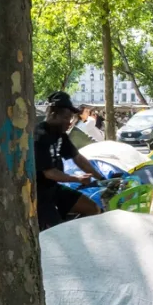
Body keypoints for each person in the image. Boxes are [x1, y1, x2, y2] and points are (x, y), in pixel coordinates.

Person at [35, 91, 100, 231]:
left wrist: (100, 178)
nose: (69, 122)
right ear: (53, 114)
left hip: (54, 189)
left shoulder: (60, 135)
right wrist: (77, 179)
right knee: (56, 231)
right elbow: (49, 173)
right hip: (39, 195)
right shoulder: (40, 136)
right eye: (66, 117)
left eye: (71, 118)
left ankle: (76, 237)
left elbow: (78, 159)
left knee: (93, 208)